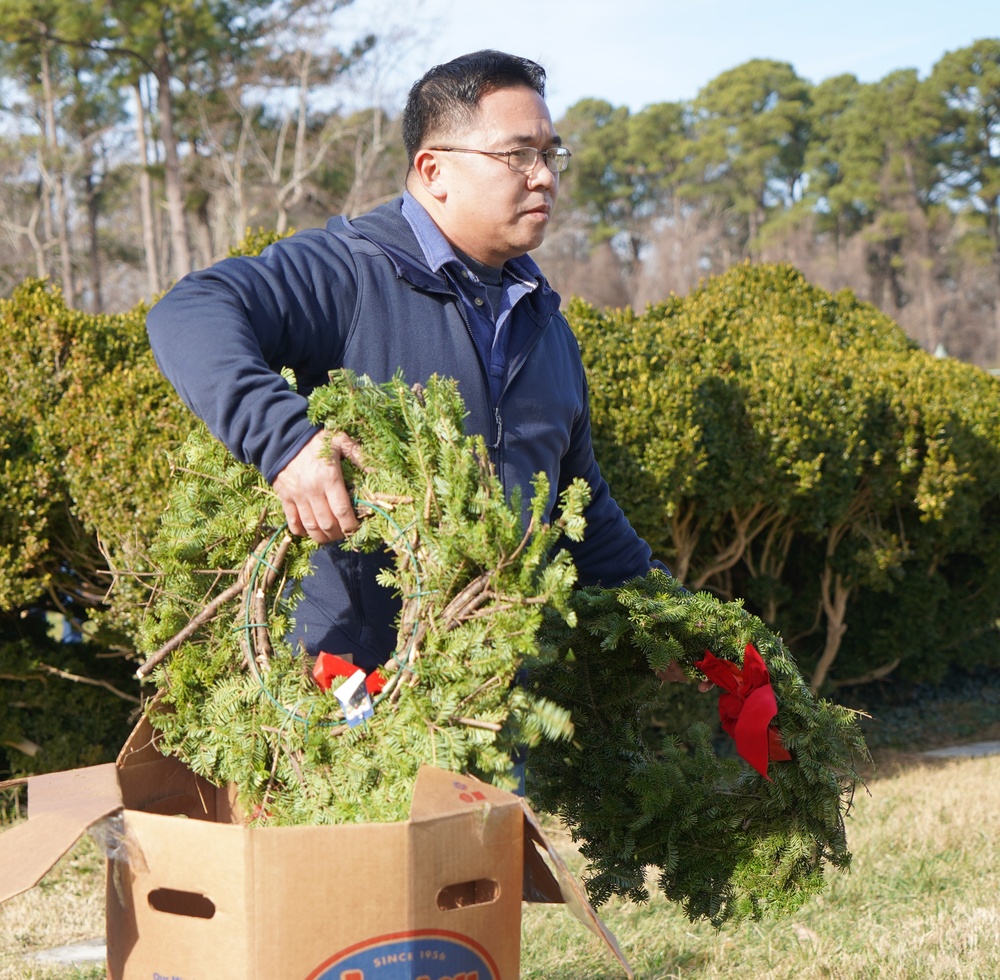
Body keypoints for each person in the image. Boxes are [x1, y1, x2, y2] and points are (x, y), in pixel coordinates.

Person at [146, 49, 672, 676]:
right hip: (357, 713)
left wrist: (677, 625)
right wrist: (285, 444)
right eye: (518, 155)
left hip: (496, 709)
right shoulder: (347, 272)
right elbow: (188, 311)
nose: (545, 177)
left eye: (551, 154)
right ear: (433, 170)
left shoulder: (544, 325)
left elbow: (577, 509)